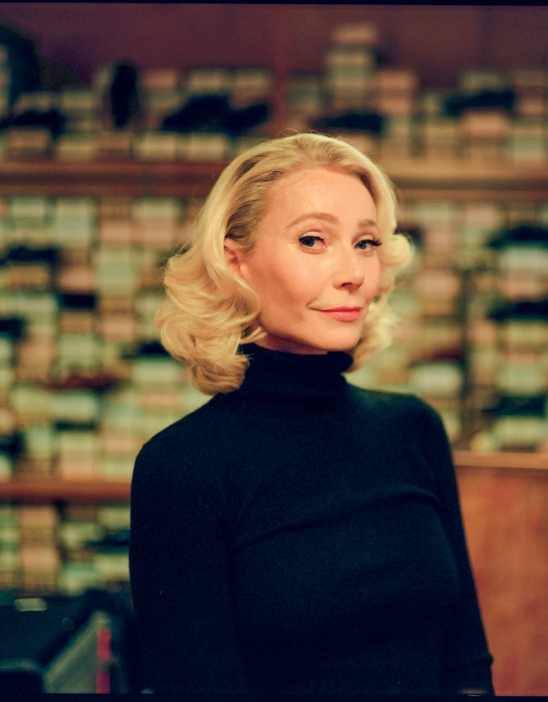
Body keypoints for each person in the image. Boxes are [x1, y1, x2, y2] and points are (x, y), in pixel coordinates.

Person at [128, 132, 495, 696]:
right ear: (236, 263)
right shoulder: (182, 467)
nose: (353, 272)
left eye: (365, 243)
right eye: (312, 240)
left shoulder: (413, 429)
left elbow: (465, 663)